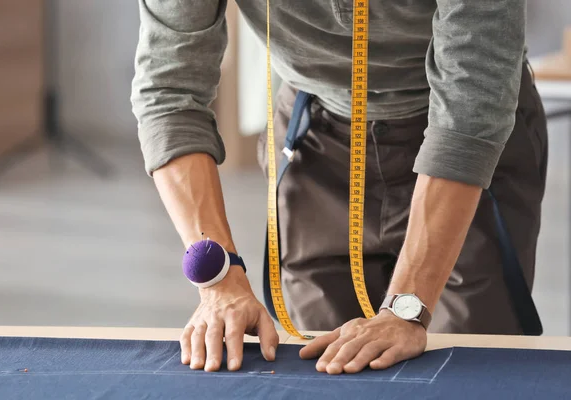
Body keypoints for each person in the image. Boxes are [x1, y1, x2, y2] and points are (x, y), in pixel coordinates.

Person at [130, 1, 548, 375]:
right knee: (324, 366)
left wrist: (408, 307)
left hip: (465, 139)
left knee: (470, 368)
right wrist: (218, 277)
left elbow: (472, 103)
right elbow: (170, 91)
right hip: (313, 134)